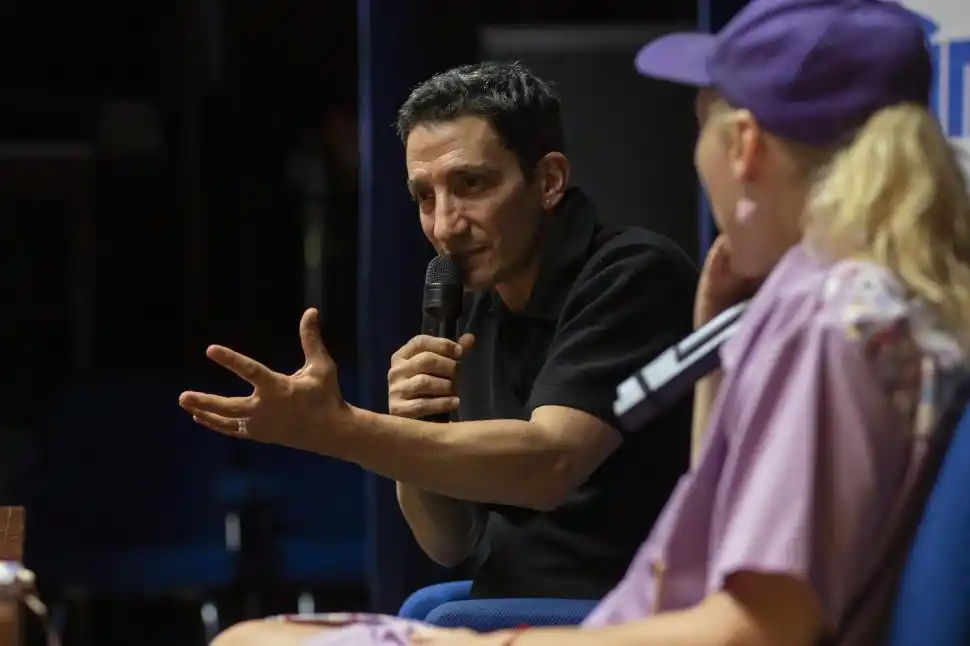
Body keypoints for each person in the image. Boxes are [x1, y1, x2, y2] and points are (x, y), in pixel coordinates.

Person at [197, 0, 970, 645]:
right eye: (423, 197)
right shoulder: (846, 302)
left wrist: (511, 643)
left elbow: (756, 626)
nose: (442, 223)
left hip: (609, 625)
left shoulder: (832, 319)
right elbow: (715, 522)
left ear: (743, 147)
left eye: (699, 123)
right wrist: (714, 343)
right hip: (619, 616)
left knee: (253, 642)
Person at [180, 61, 698, 600]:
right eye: (425, 197)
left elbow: (550, 464)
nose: (445, 227)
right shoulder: (479, 304)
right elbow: (447, 542)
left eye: (470, 184)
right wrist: (414, 426)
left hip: (619, 607)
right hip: (514, 599)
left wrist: (339, 430)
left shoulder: (633, 273)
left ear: (548, 181)